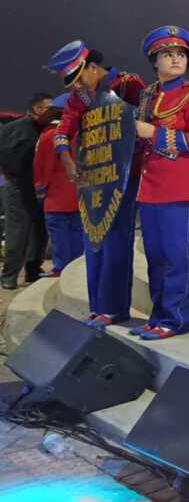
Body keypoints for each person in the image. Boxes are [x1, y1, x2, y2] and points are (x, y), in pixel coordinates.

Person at [43, 41, 145, 326]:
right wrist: (66, 158)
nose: (76, 86)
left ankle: (113, 308)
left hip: (125, 175)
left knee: (115, 239)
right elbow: (64, 129)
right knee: (93, 239)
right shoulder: (80, 96)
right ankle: (97, 304)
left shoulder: (129, 85)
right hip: (93, 177)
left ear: (94, 68)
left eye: (79, 78)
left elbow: (144, 123)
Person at [131, 25, 189, 340]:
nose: (176, 59)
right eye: (167, 54)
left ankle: (176, 319)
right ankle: (157, 315)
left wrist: (152, 133)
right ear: (155, 60)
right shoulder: (148, 95)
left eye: (180, 54)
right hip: (149, 188)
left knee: (176, 255)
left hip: (179, 187)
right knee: (155, 257)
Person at [0, 93, 53, 289]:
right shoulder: (16, 129)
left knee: (40, 231)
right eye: (49, 108)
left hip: (39, 189)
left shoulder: (45, 129)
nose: (54, 112)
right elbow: (7, 159)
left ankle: (33, 270)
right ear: (37, 110)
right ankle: (9, 275)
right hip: (18, 188)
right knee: (18, 232)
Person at [32, 93, 83, 278]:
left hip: (56, 193)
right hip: (78, 191)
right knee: (77, 231)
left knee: (59, 232)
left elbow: (41, 167)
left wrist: (40, 190)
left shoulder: (48, 136)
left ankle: (60, 266)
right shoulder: (81, 133)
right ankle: (77, 268)